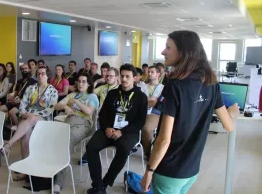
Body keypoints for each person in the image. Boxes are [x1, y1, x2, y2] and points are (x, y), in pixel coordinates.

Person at [140, 30, 240, 194]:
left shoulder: (175, 84)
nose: (162, 52)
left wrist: (149, 171)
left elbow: (164, 140)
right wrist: (233, 113)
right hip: (191, 171)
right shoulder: (211, 82)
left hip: (169, 171)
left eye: (168, 47)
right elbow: (229, 126)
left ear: (182, 52)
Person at [86, 64, 148, 194]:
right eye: (122, 76)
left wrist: (122, 131)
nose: (124, 79)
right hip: (109, 129)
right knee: (91, 146)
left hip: (129, 132)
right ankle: (97, 185)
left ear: (134, 78)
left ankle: (105, 183)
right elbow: (103, 114)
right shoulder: (112, 93)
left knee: (124, 149)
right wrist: (107, 127)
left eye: (128, 76)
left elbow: (140, 122)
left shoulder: (141, 97)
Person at [2, 66, 58, 181]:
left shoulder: (53, 90)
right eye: (38, 74)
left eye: (43, 74)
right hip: (28, 119)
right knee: (25, 134)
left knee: (31, 118)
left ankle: (9, 144)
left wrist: (34, 115)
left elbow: (51, 109)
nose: (40, 76)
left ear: (48, 75)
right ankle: (26, 170)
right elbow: (23, 104)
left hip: (44, 119)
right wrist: (23, 114)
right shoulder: (30, 88)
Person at [53, 73, 99, 193]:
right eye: (79, 81)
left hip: (83, 124)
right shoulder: (72, 94)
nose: (80, 84)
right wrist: (66, 107)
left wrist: (77, 102)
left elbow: (89, 111)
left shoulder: (92, 96)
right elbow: (56, 106)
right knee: (51, 140)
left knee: (65, 144)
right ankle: (48, 172)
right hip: (67, 121)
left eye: (84, 81)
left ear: (89, 84)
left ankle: (58, 182)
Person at [78, 67, 119, 166]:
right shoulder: (103, 87)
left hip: (113, 118)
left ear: (116, 77)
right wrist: (96, 81)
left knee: (96, 128)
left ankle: (88, 153)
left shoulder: (119, 89)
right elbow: (90, 91)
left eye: (111, 76)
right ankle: (89, 152)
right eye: (106, 76)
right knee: (92, 123)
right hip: (100, 115)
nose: (108, 78)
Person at [140, 66, 164, 159]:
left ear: (158, 74)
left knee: (146, 128)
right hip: (141, 111)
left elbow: (157, 102)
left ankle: (147, 152)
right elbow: (139, 100)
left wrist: (147, 101)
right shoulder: (142, 86)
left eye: (152, 72)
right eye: (148, 72)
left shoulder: (163, 88)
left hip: (155, 113)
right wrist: (151, 99)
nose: (149, 74)